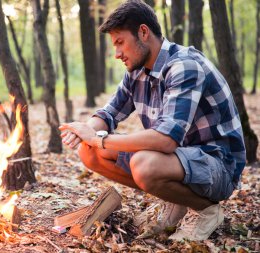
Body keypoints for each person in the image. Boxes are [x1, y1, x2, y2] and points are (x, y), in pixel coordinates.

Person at [59, 0, 246, 241]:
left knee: (144, 164)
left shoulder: (184, 66)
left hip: (217, 167)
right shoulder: (136, 71)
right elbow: (108, 114)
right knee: (88, 152)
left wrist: (99, 139)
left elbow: (165, 141)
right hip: (179, 161)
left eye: (120, 43)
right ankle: (176, 201)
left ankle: (205, 210)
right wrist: (85, 130)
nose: (116, 54)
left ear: (143, 33)